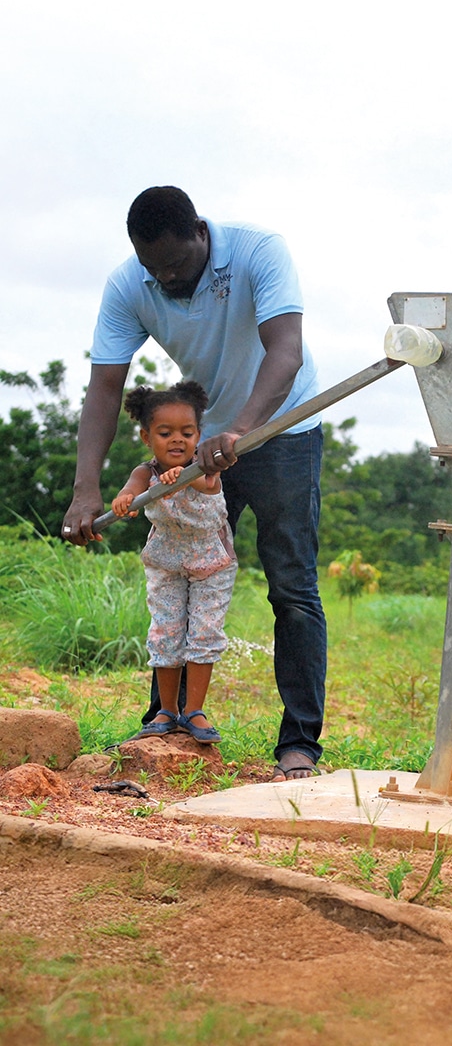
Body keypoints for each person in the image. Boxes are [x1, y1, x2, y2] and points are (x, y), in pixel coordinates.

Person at [61, 186, 327, 782]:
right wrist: (87, 489)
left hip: (282, 429)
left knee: (291, 586)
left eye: (177, 266)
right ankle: (167, 719)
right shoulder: (130, 284)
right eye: (154, 269)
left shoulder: (259, 251)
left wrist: (239, 430)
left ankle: (300, 743)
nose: (167, 279)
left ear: (200, 235)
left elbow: (284, 353)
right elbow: (105, 388)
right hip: (199, 451)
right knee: (179, 575)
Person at [112, 381, 237, 743]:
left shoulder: (203, 466)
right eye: (165, 433)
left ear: (199, 435)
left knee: (204, 633)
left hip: (210, 562)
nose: (177, 440)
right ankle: (166, 711)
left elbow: (207, 486)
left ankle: (193, 711)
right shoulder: (145, 472)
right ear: (146, 437)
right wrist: (125, 499)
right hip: (166, 561)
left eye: (187, 432)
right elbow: (132, 490)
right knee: (165, 632)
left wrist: (182, 479)